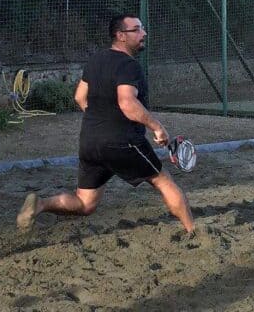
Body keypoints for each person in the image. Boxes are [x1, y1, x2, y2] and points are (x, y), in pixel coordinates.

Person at [17, 14, 206, 241]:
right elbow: (127, 103)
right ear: (120, 36)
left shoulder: (96, 60)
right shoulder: (129, 66)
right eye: (136, 30)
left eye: (142, 29)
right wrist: (157, 127)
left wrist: (103, 118)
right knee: (163, 180)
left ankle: (40, 204)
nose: (143, 33)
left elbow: (79, 97)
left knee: (85, 203)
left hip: (90, 141)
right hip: (122, 142)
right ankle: (192, 231)